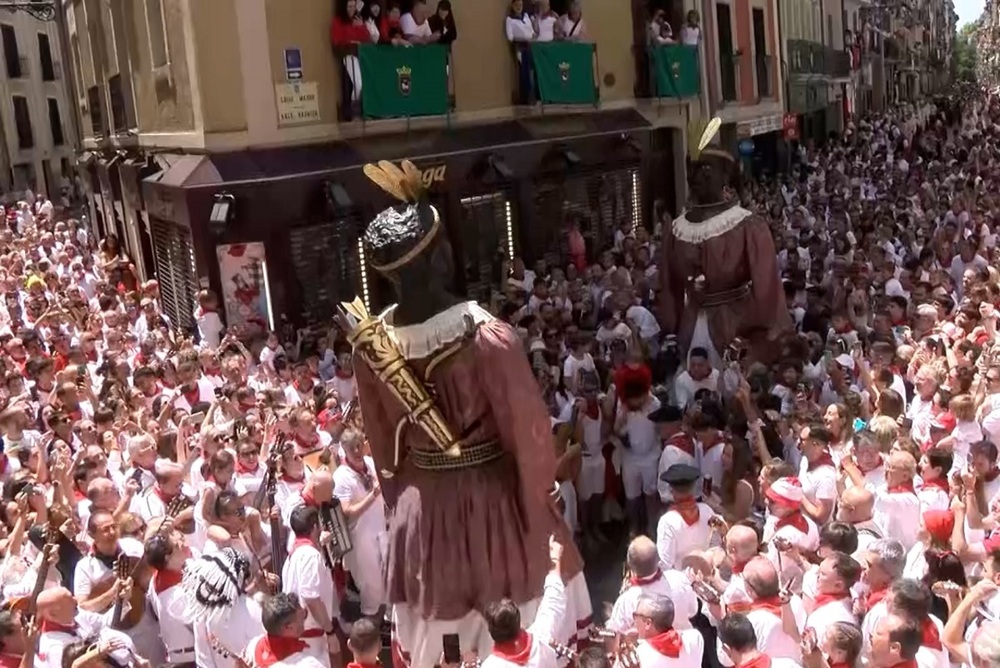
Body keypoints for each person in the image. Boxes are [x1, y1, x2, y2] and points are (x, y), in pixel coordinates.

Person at [349, 159, 591, 666]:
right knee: (514, 625)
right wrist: (540, 514)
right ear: (441, 258)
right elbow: (527, 439)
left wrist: (403, 506)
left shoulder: (370, 345)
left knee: (439, 633)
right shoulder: (486, 337)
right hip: (492, 503)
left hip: (421, 508)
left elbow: (381, 444)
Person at [481, 535, 566, 668]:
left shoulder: (491, 665)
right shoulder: (541, 639)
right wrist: (555, 557)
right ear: (519, 623)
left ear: (491, 632)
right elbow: (554, 600)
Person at [243, 593, 327, 668]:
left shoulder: (252, 646)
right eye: (301, 616)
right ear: (289, 627)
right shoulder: (306, 664)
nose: (303, 618)